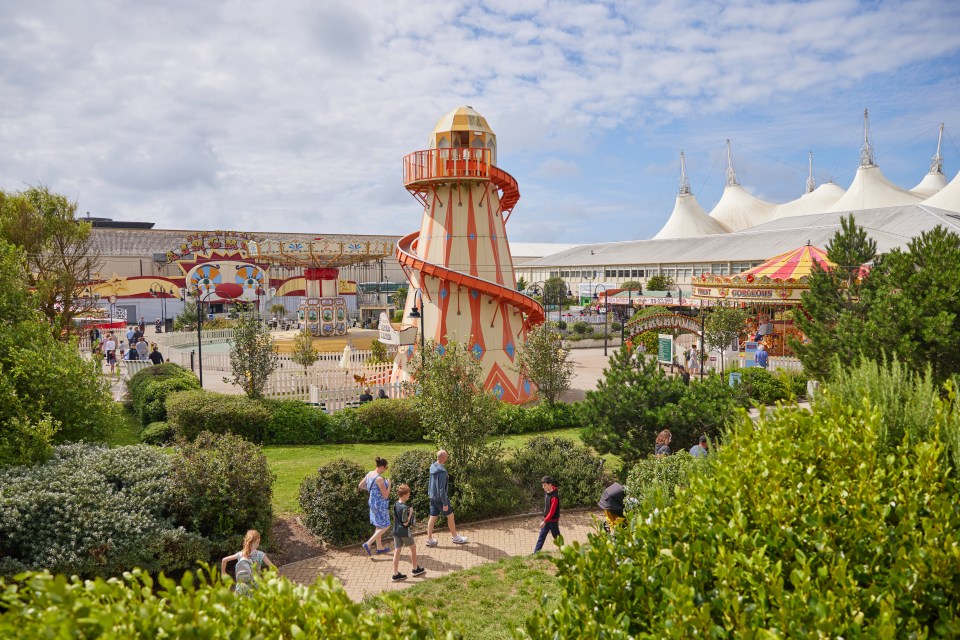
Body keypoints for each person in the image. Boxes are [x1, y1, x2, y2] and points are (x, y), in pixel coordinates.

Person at [425, 450, 468, 546]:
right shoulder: (442, 472)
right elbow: (441, 490)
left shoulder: (433, 466)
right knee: (450, 516)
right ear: (442, 458)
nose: (447, 458)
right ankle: (455, 537)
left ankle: (429, 540)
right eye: (446, 457)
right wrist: (444, 503)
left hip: (432, 496)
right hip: (440, 498)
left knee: (432, 517)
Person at [221, 529, 274, 596]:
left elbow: (224, 560)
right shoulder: (260, 554)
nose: (258, 544)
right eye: (258, 542)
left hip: (241, 587)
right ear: (257, 542)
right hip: (254, 587)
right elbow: (273, 567)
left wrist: (223, 572)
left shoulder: (240, 554)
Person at [391, 483, 426, 582]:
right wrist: (410, 512)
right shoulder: (404, 508)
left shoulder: (395, 504)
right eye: (409, 494)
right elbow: (406, 523)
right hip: (404, 532)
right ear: (405, 495)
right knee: (413, 548)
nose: (409, 496)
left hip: (396, 531)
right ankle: (415, 569)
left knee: (397, 551)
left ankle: (395, 574)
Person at [358, 457, 392, 556]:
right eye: (386, 468)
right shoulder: (379, 479)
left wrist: (371, 491)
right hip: (380, 504)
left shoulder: (369, 474)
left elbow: (360, 485)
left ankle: (379, 547)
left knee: (378, 525)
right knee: (386, 525)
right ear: (382, 467)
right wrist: (389, 484)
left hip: (372, 503)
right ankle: (368, 543)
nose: (386, 470)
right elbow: (385, 495)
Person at [533, 476, 561, 553]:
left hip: (553, 521)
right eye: (542, 485)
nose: (543, 487)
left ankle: (564, 551)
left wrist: (544, 521)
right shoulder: (547, 492)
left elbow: (552, 512)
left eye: (545, 485)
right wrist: (545, 519)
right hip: (547, 519)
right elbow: (547, 507)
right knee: (541, 537)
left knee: (557, 538)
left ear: (550, 484)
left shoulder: (554, 497)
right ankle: (536, 553)